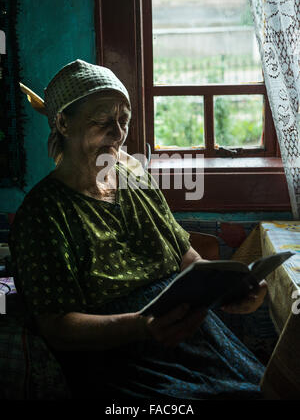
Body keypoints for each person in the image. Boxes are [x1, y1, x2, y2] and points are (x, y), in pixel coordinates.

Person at [9, 59, 267, 401]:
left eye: (123, 121)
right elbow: (57, 327)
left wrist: (232, 285)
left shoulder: (136, 180)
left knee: (267, 389)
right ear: (63, 124)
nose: (118, 134)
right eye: (102, 121)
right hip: (123, 357)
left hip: (195, 337)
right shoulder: (43, 214)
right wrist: (140, 325)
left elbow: (187, 258)